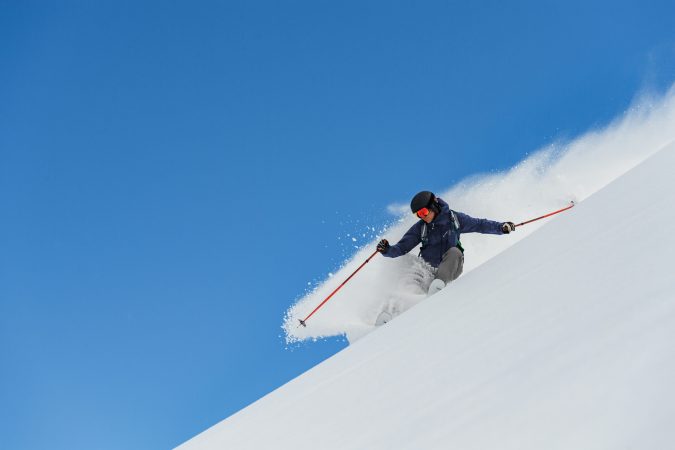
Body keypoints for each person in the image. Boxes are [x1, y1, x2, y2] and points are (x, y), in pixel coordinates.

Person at [377, 191, 515, 295]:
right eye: (418, 214)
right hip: (428, 273)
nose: (423, 216)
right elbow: (402, 248)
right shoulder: (421, 227)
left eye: (424, 211)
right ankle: (400, 308)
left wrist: (501, 227)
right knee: (409, 263)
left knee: (455, 251)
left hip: (451, 267)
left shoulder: (454, 219)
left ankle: (439, 287)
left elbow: (479, 224)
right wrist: (387, 250)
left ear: (434, 206)